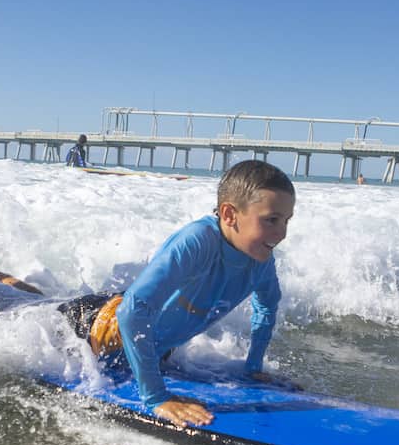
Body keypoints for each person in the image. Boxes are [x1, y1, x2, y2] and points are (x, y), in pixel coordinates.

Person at [60, 159, 294, 428]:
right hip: (90, 328)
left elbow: (266, 309)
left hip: (149, 348)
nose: (282, 233)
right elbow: (132, 310)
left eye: (287, 221)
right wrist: (156, 398)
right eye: (271, 220)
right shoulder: (198, 241)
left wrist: (253, 368)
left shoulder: (261, 262)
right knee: (19, 304)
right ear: (229, 215)